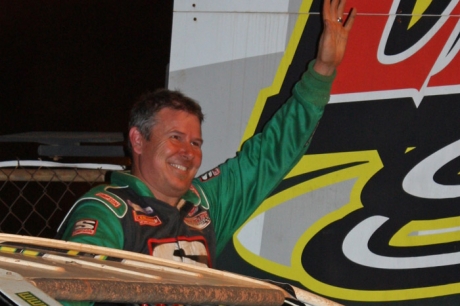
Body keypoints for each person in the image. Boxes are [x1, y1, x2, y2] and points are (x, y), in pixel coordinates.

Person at [57, 0, 356, 304]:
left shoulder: (205, 205)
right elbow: (71, 295)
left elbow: (271, 153)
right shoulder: (107, 210)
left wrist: (323, 68)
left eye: (196, 143)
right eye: (175, 138)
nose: (187, 152)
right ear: (138, 140)